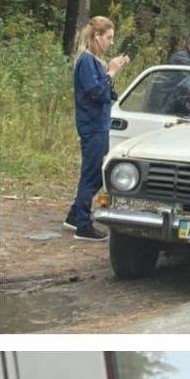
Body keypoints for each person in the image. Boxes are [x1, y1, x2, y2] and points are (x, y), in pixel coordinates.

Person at [65, 16, 129, 241]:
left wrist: (112, 71)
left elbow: (106, 93)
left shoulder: (94, 61)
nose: (111, 42)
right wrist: (111, 72)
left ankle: (75, 215)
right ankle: (83, 225)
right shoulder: (86, 61)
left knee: (98, 173)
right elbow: (95, 92)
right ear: (97, 37)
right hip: (92, 125)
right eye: (109, 38)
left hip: (99, 124)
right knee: (92, 174)